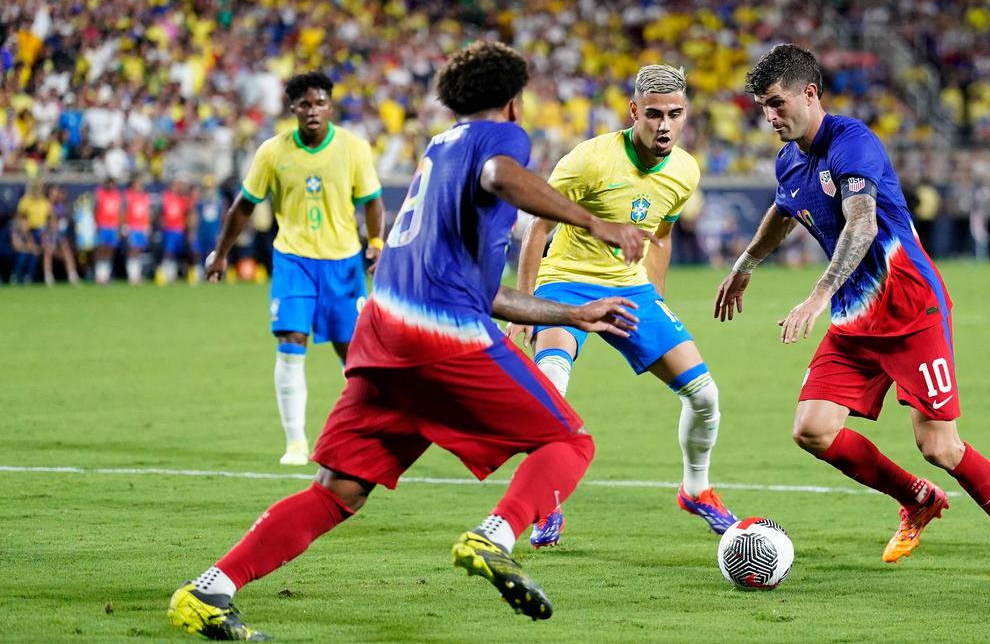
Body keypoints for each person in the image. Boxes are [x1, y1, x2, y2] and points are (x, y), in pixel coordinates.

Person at [168, 41, 652, 639]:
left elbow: (479, 288)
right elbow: (501, 176)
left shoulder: (438, 151)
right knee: (570, 443)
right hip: (439, 334)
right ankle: (494, 537)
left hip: (383, 331)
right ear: (512, 100)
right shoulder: (498, 140)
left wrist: (572, 315)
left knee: (338, 491)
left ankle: (208, 590)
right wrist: (597, 223)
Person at [714, 44, 990, 577]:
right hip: (854, 319)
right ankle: (917, 499)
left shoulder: (852, 142)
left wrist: (818, 294)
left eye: (776, 103)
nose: (770, 116)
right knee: (813, 429)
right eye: (762, 107)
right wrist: (748, 261)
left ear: (810, 93)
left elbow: (861, 224)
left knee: (938, 445)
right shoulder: (789, 156)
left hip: (911, 311)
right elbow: (783, 208)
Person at [507, 64, 736, 547]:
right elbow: (538, 229)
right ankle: (545, 502)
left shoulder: (684, 171)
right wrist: (524, 307)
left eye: (675, 114)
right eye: (654, 114)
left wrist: (655, 298)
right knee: (550, 389)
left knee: (705, 396)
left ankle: (696, 491)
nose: (665, 125)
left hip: (632, 291)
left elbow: (662, 236)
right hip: (565, 283)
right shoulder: (589, 160)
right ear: (634, 110)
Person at [204, 71, 386, 466]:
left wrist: (375, 244)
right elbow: (244, 205)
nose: (313, 111)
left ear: (330, 106)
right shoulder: (272, 152)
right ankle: (296, 443)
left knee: (352, 354)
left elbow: (372, 201)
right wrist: (220, 254)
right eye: (305, 104)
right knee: (290, 344)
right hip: (292, 261)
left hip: (342, 263)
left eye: (320, 103)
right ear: (292, 109)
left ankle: (363, 433)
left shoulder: (353, 148)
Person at [44, 184, 81, 285]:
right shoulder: (46, 204)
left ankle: (72, 275)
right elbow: (49, 219)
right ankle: (48, 277)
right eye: (55, 192)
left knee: (67, 252)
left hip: (60, 233)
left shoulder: (61, 206)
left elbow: (62, 217)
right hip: (49, 232)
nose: (57, 195)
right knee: (48, 253)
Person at [158, 178, 191, 284]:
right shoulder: (166, 197)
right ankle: (165, 273)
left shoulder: (182, 199)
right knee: (168, 252)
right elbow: (161, 212)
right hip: (169, 229)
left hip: (179, 229)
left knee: (177, 253)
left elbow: (187, 212)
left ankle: (173, 274)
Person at [93, 177, 122, 284]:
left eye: (112, 184)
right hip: (102, 225)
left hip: (113, 226)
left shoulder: (117, 195)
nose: (111, 186)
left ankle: (106, 275)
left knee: (110, 251)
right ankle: (98, 275)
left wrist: (120, 227)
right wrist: (95, 224)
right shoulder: (100, 194)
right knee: (101, 250)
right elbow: (95, 209)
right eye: (109, 184)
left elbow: (120, 211)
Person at [124, 176, 152, 285]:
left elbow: (147, 212)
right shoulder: (128, 196)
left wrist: (147, 225)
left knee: (139, 251)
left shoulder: (145, 196)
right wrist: (125, 225)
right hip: (132, 227)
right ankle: (132, 276)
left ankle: (137, 274)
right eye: (137, 184)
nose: (139, 186)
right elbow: (124, 211)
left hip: (142, 227)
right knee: (133, 251)